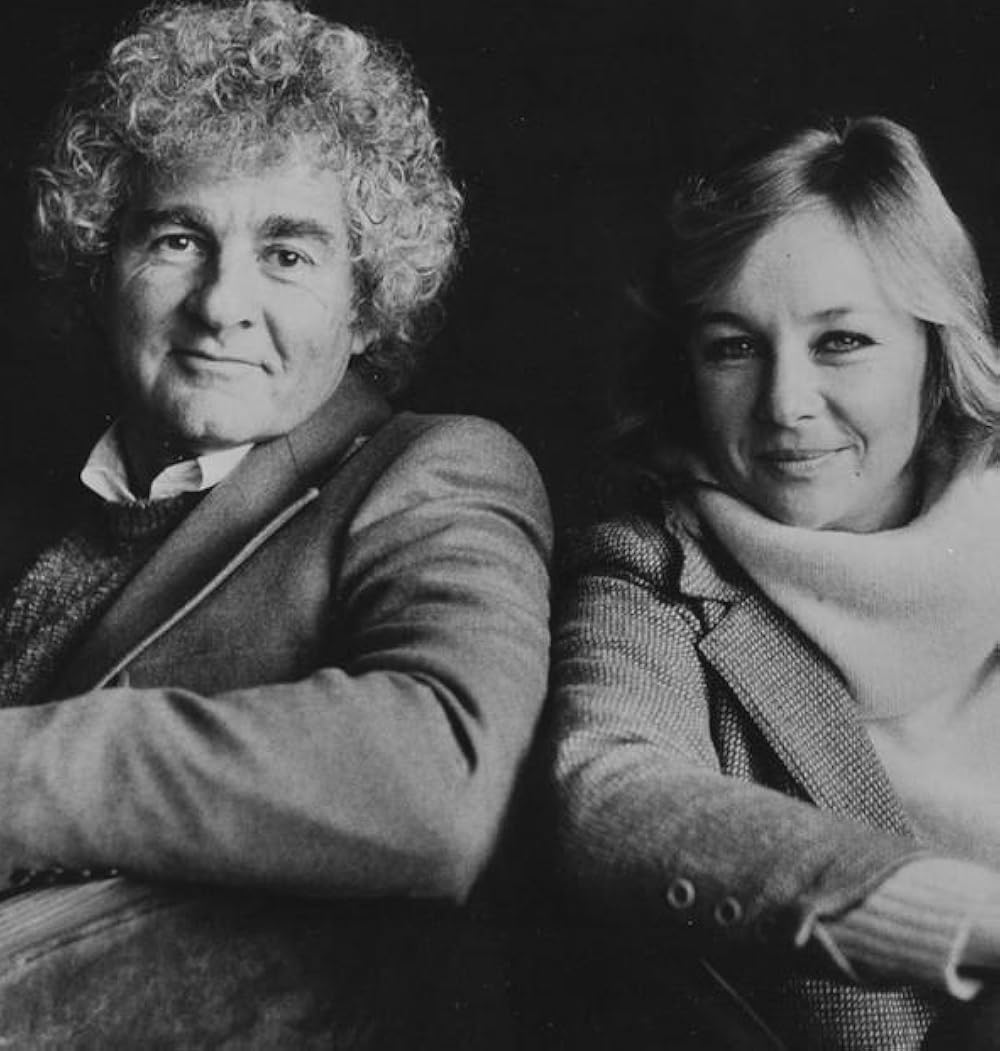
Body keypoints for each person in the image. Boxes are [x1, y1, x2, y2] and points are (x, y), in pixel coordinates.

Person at [0, 0, 551, 936]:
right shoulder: (36, 493)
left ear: (367, 306)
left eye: (287, 255)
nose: (223, 304)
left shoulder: (430, 470)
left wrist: (21, 771)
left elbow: (442, 779)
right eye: (178, 240)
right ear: (102, 268)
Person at [551, 115, 1000, 1049]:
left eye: (842, 342)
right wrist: (956, 917)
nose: (787, 403)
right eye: (734, 347)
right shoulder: (652, 572)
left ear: (936, 350)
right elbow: (608, 793)